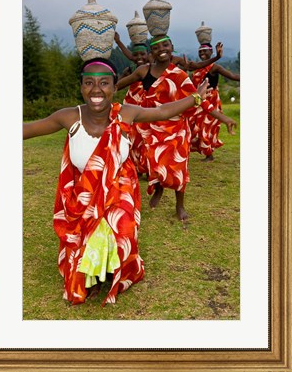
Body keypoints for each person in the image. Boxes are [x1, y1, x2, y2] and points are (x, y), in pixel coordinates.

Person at [23, 57, 210, 306]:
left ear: (114, 86)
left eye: (104, 83)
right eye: (89, 83)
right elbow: (28, 128)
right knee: (84, 248)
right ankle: (93, 269)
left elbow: (163, 111)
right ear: (81, 87)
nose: (96, 89)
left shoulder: (126, 113)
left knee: (120, 226)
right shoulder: (69, 117)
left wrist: (195, 97)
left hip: (119, 187)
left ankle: (113, 267)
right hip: (82, 193)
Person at [116, 35, 237, 222]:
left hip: (176, 129)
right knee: (154, 164)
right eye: (156, 47)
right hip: (151, 128)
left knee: (178, 167)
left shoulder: (179, 75)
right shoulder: (143, 71)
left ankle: (179, 205)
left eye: (165, 44)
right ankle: (158, 188)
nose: (162, 49)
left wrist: (224, 118)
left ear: (172, 47)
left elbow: (200, 100)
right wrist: (102, 89)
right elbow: (119, 85)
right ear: (151, 52)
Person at [189, 42, 240, 161]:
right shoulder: (196, 68)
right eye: (200, 51)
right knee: (195, 126)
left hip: (211, 100)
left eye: (205, 51)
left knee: (206, 127)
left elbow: (232, 75)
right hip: (198, 100)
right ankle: (205, 150)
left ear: (211, 52)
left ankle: (209, 153)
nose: (202, 53)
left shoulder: (215, 67)